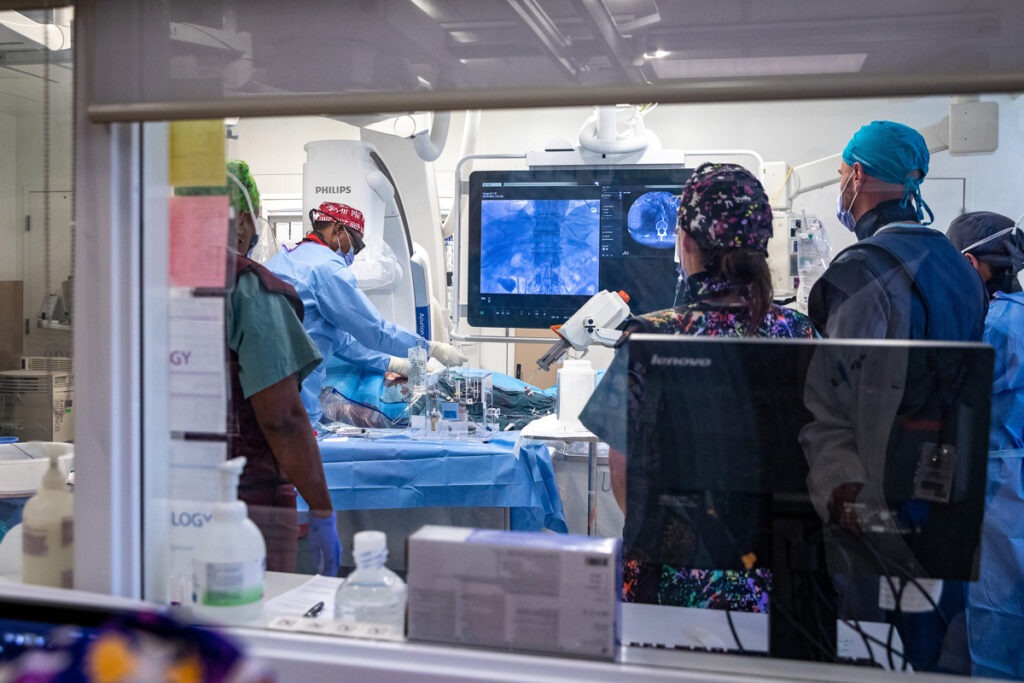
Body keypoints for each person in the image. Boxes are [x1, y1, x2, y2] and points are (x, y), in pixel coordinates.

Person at [579, 162, 816, 610]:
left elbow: (623, 473)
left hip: (669, 581)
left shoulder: (650, 337)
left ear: (685, 243)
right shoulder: (801, 335)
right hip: (775, 582)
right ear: (763, 246)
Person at [800, 122, 987, 672]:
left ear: (857, 175)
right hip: (944, 495)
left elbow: (835, 407)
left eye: (840, 175)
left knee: (871, 649)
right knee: (932, 646)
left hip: (874, 505)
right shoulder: (961, 268)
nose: (841, 186)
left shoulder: (861, 272)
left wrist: (846, 503)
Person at [217, 160, 340, 575]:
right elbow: (283, 419)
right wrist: (321, 510)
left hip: (162, 498)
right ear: (242, 223)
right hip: (246, 505)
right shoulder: (249, 290)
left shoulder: (143, 282)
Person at [265, 201, 467, 425]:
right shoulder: (327, 269)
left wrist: (392, 363)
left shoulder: (284, 260)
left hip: (262, 382)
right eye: (356, 245)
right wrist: (430, 347)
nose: (354, 253)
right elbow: (375, 330)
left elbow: (336, 339)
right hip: (293, 389)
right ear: (338, 229)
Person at [946, 211, 1024, 679]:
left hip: (1001, 489)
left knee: (997, 620)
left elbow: (952, 399)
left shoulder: (989, 326)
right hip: (1009, 480)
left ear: (972, 265)